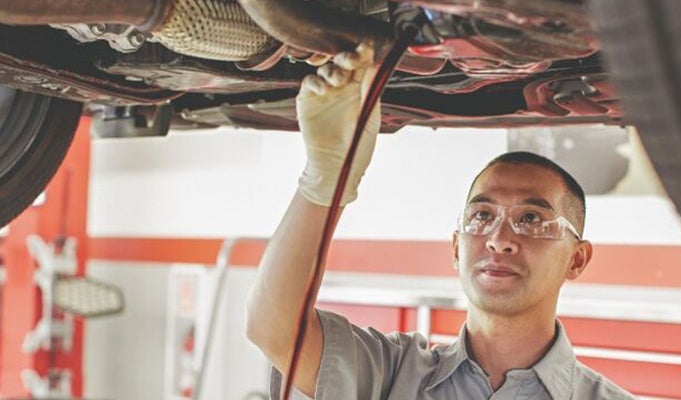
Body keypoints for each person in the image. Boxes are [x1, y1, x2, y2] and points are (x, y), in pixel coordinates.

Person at [245, 43, 636, 400]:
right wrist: (324, 181)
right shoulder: (392, 373)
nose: (499, 239)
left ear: (577, 259)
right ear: (455, 247)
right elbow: (272, 328)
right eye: (481, 216)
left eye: (531, 219)